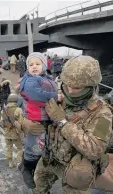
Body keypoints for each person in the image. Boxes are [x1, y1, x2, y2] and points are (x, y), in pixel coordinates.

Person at [34, 56, 112, 194]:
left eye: (76, 87)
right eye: (66, 84)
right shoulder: (60, 96)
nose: (69, 90)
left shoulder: (103, 113)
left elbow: (95, 150)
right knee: (39, 183)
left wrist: (63, 122)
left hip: (76, 168)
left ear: (90, 86)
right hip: (53, 156)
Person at [18, 52, 58, 189]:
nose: (34, 67)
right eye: (31, 65)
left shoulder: (47, 78)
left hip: (46, 119)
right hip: (35, 119)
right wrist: (55, 96)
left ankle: (31, 166)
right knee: (34, 147)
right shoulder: (29, 80)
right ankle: (27, 168)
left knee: (40, 146)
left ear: (44, 66)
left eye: (37, 64)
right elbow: (36, 95)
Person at [0, 93, 23, 168]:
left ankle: (10, 162)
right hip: (16, 132)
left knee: (9, 147)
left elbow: (1, 122)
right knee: (19, 148)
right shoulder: (18, 109)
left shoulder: (4, 109)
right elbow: (21, 122)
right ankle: (19, 162)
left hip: (7, 132)